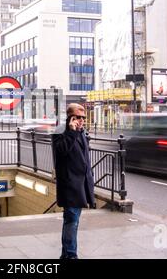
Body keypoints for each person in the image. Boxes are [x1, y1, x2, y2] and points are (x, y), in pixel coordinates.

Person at [52, 103, 95, 259]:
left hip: (80, 185)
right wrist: (71, 132)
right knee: (72, 221)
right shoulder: (61, 131)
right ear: (70, 117)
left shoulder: (81, 132)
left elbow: (84, 159)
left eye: (83, 117)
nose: (81, 120)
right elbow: (61, 151)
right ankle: (71, 255)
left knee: (71, 220)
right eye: (78, 117)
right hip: (70, 184)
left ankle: (66, 254)